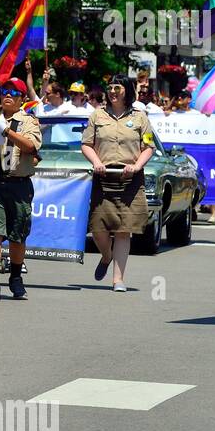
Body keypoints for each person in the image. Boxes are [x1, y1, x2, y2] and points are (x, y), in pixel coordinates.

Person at [81, 75, 155, 292]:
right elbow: (86, 144)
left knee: (124, 230)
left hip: (129, 178)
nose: (113, 91)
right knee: (97, 228)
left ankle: (118, 279)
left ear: (127, 90)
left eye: (118, 87)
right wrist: (96, 162)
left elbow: (148, 146)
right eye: (110, 87)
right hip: (104, 177)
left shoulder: (140, 117)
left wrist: (137, 165)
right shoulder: (97, 115)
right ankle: (106, 256)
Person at [0, 79, 43, 301]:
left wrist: (8, 132)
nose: (8, 95)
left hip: (18, 184)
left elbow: (31, 146)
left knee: (17, 235)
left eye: (15, 92)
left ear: (22, 99)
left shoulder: (29, 121)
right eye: (5, 91)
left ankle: (15, 277)